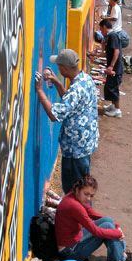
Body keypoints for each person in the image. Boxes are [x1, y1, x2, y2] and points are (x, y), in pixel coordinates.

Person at [35, 49, 98, 194]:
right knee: (81, 189)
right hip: (85, 145)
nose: (58, 69)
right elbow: (70, 103)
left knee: (75, 191)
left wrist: (39, 91)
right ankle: (81, 214)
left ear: (64, 68)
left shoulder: (76, 89)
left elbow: (54, 115)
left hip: (75, 149)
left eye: (59, 66)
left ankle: (78, 216)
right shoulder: (85, 79)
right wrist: (56, 82)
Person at [55, 175, 132, 261]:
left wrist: (116, 226)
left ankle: (122, 255)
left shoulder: (74, 195)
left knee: (107, 220)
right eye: (86, 194)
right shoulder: (74, 206)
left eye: (91, 196)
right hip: (69, 252)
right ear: (77, 189)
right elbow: (95, 231)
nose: (88, 198)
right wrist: (118, 233)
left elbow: (91, 213)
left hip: (75, 239)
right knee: (107, 226)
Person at [98, 20, 124, 118]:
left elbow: (116, 52)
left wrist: (111, 66)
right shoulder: (110, 37)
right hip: (113, 68)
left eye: (101, 29)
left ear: (104, 26)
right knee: (109, 87)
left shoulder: (113, 36)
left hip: (115, 69)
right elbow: (107, 52)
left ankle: (117, 111)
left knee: (113, 88)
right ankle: (113, 106)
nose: (101, 31)